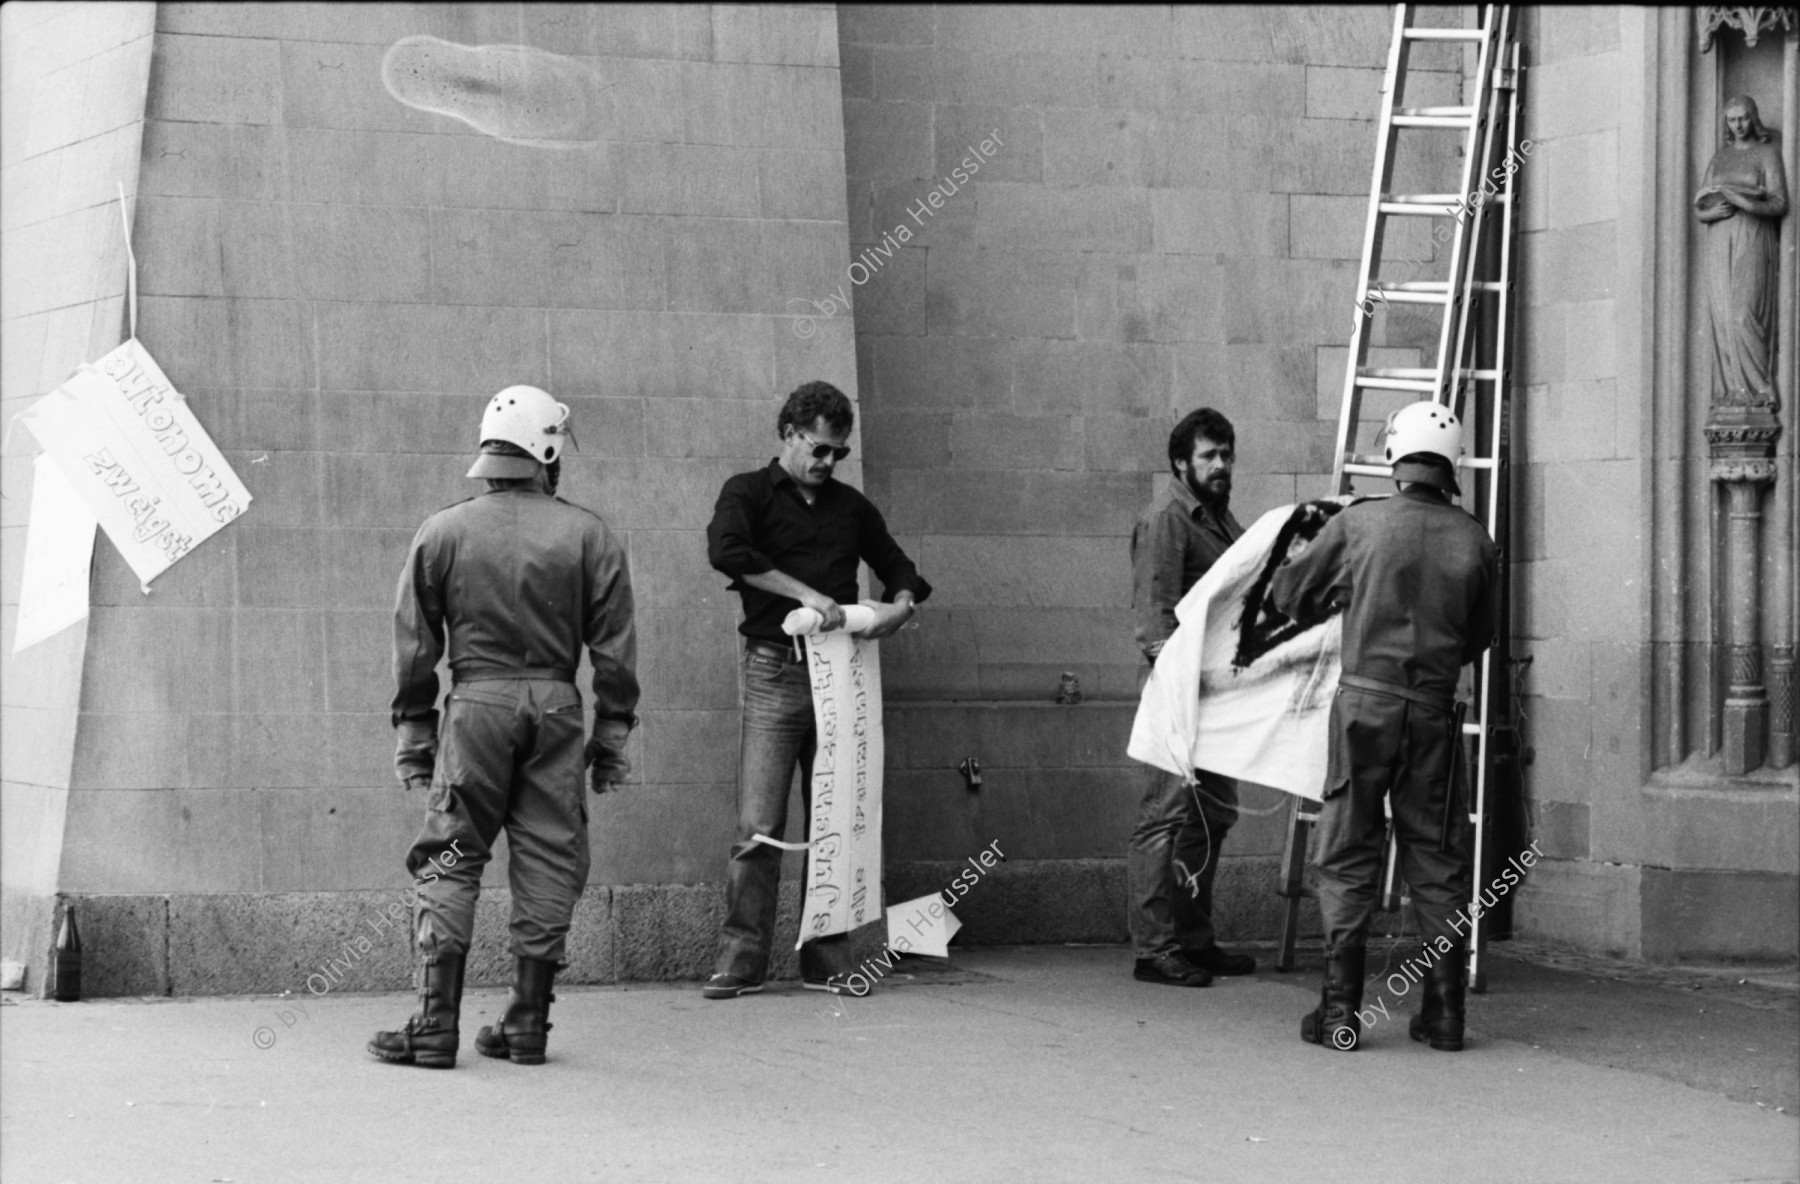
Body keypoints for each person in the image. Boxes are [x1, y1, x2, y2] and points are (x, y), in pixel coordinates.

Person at [370, 385, 639, 1068]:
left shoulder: (443, 531)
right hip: (554, 713)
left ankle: (435, 1024)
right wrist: (610, 739)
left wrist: (414, 734)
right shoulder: (590, 535)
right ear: (547, 452)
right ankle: (527, 1022)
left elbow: (415, 642)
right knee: (550, 855)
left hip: (477, 716)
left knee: (454, 855)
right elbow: (613, 648)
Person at [1268, 400, 1496, 1052]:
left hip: (1364, 710)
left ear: (1394, 458)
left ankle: (1340, 1011)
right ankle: (1446, 1015)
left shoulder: (1359, 524)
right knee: (1437, 856)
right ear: (1450, 465)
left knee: (1347, 849)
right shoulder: (1475, 539)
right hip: (1432, 712)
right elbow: (1478, 637)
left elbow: (1289, 595)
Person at [702, 380, 930, 999]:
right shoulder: (747, 492)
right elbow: (726, 551)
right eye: (819, 449)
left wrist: (899, 608)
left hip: (844, 670)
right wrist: (803, 592)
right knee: (759, 820)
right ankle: (740, 959)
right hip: (776, 666)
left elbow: (898, 565)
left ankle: (826, 960)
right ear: (788, 434)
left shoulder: (851, 507)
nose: (827, 463)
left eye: (839, 452)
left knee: (839, 816)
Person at [1127, 408, 1258, 987]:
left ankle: (1193, 938)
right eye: (1209, 455)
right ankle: (1154, 950)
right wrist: (1176, 691)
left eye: (1226, 454)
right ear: (1182, 462)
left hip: (1215, 692)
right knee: (1164, 816)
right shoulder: (1168, 518)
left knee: (1213, 815)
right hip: (1178, 692)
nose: (1222, 464)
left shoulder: (1220, 517)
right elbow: (1153, 619)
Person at [1694, 94, 1789, 412]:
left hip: (1752, 236)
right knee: (1722, 315)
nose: (1738, 125)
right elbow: (1701, 206)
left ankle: (1759, 392)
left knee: (1743, 312)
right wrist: (1710, 213)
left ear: (1754, 118)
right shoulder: (1720, 159)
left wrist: (1743, 202)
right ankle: (1731, 392)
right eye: (1732, 120)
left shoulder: (1766, 154)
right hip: (1719, 238)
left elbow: (1779, 203)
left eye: (1743, 118)